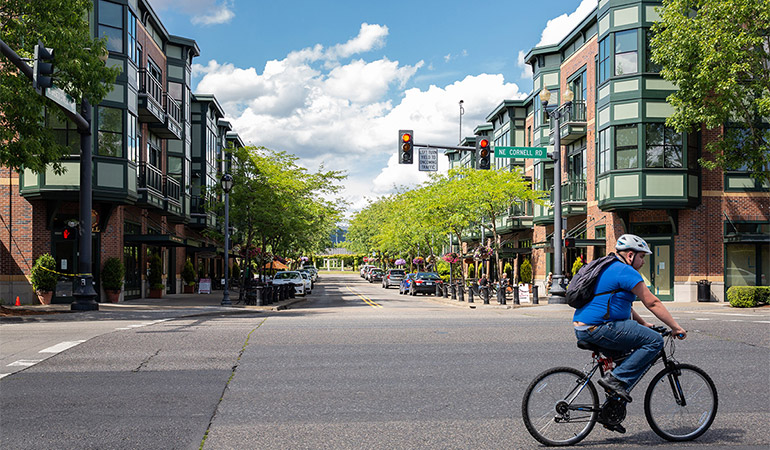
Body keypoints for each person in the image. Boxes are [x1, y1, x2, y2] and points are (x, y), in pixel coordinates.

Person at [572, 234, 687, 403]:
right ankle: (614, 380)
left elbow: (621, 304)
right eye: (641, 256)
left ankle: (612, 407)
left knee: (628, 357)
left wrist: (644, 324)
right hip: (599, 327)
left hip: (585, 327)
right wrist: (676, 327)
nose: (644, 261)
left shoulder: (608, 266)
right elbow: (652, 302)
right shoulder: (625, 271)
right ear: (630, 255)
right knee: (654, 341)